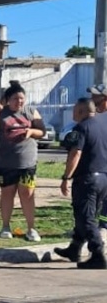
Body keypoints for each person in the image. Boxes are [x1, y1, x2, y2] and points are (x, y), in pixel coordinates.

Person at [0, 80, 47, 242]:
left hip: (27, 162)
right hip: (6, 162)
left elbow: (42, 131)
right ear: (7, 99)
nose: (19, 102)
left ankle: (31, 229)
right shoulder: (1, 112)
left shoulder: (31, 111)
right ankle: (5, 226)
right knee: (7, 194)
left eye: (21, 98)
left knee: (27, 194)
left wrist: (31, 131)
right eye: (15, 99)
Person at [55, 97, 107, 268]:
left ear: (81, 111)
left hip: (87, 178)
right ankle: (74, 248)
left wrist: (66, 177)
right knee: (86, 215)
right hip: (103, 178)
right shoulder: (102, 126)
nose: (73, 113)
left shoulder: (82, 128)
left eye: (75, 110)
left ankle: (97, 254)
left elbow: (75, 153)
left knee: (86, 217)